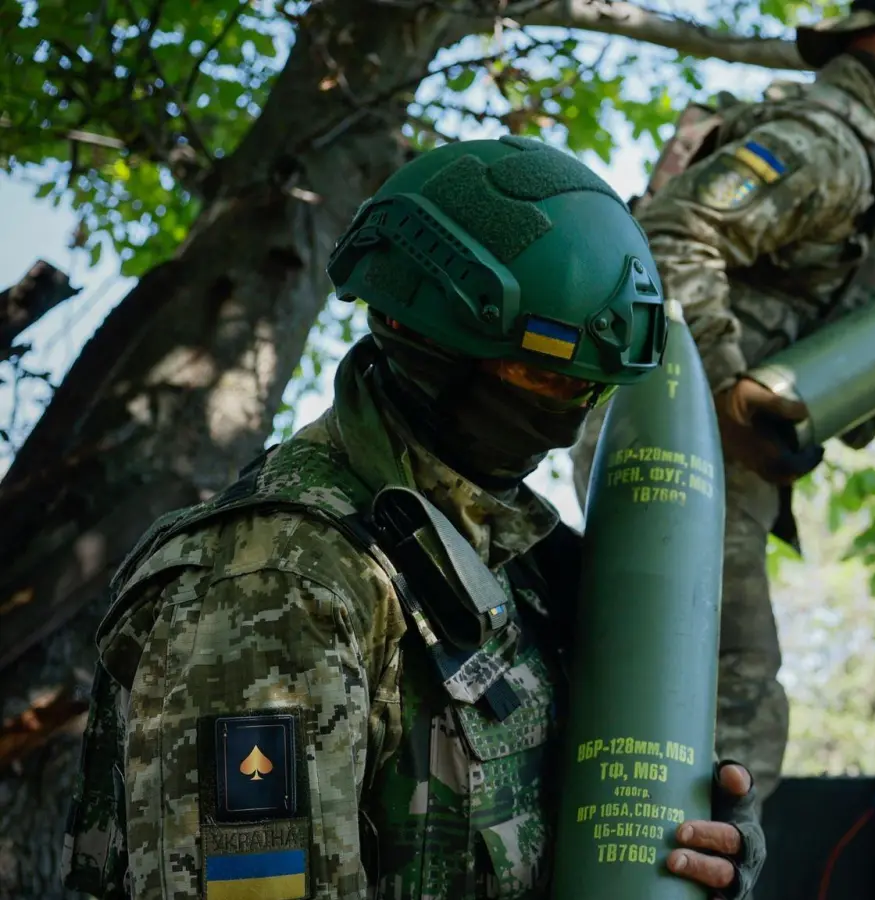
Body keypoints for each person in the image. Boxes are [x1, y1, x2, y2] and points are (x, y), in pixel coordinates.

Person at [60, 136, 765, 899]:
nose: (567, 413)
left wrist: (689, 850)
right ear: (429, 341)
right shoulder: (277, 581)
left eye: (589, 390)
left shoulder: (524, 566)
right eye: (543, 375)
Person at [567, 0, 875, 811]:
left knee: (692, 697)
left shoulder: (867, 179)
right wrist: (730, 389)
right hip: (683, 448)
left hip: (690, 450)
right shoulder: (829, 143)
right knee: (733, 703)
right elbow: (673, 233)